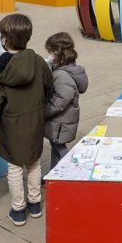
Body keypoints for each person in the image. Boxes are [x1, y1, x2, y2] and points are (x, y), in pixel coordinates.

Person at [0, 13, 53, 227]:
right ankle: (35, 203)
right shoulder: (38, 61)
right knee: (34, 162)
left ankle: (19, 209)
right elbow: (49, 88)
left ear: (5, 39)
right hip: (35, 122)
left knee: (14, 168)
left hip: (11, 127)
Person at [43, 32, 87, 169]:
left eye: (49, 52)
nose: (48, 55)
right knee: (55, 146)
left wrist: (43, 112)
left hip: (60, 122)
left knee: (60, 149)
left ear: (56, 53)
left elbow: (60, 101)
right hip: (61, 121)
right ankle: (52, 173)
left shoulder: (62, 75)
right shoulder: (67, 69)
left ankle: (72, 171)